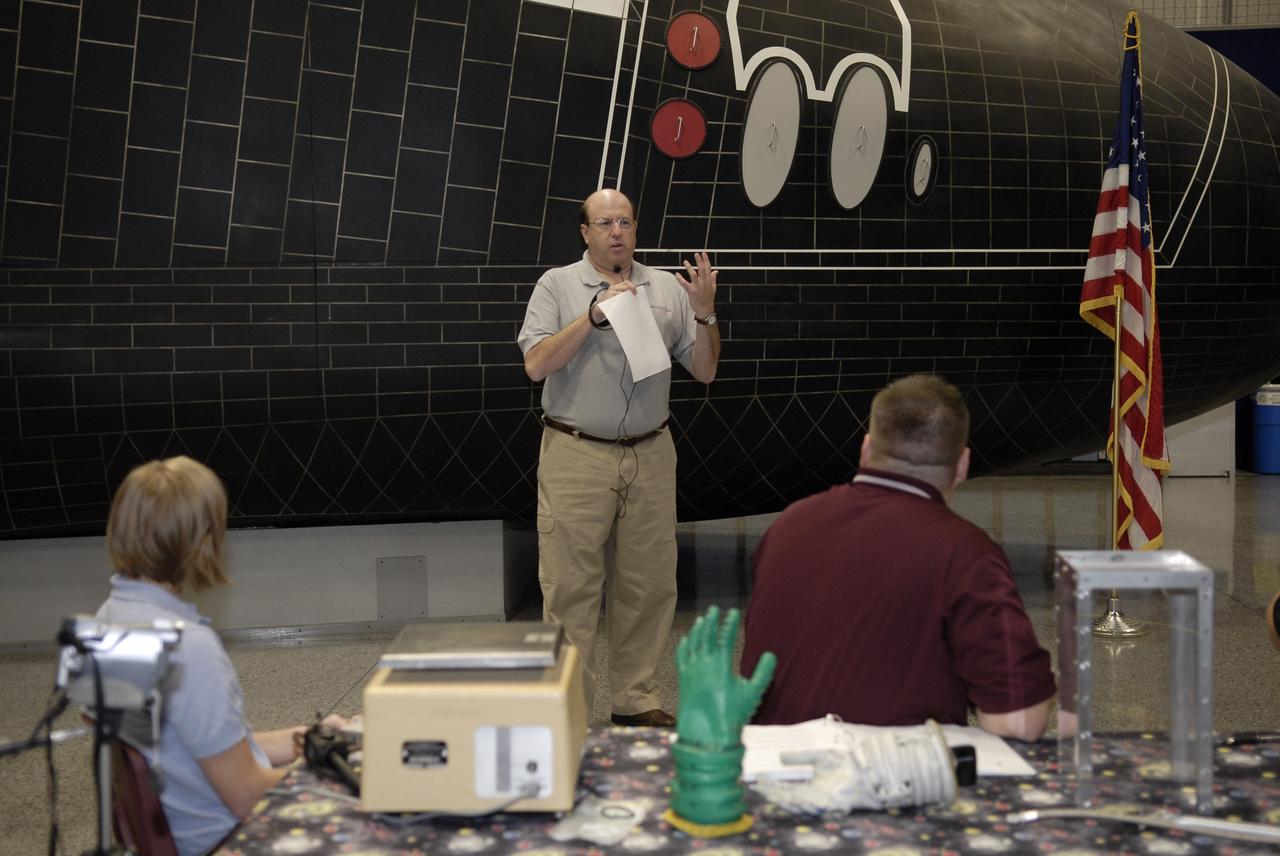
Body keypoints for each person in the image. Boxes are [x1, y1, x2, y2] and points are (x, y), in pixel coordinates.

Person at [740, 374, 1056, 741]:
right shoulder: (965, 553)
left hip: (766, 763)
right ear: (962, 465)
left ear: (866, 448)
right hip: (894, 769)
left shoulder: (789, 525)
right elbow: (1017, 723)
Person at [517, 188, 719, 727]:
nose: (616, 233)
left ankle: (635, 698)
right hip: (577, 452)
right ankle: (571, 710)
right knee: (570, 588)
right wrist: (592, 316)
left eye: (625, 222)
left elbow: (705, 371)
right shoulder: (557, 284)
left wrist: (704, 315)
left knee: (648, 584)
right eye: (604, 223)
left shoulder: (665, 289)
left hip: (650, 453)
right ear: (585, 232)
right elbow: (536, 365)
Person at [94, 456, 345, 856]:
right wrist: (330, 769)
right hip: (225, 840)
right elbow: (246, 796)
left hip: (177, 827)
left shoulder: (108, 620)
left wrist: (313, 740)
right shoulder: (189, 648)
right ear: (202, 541)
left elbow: (204, 750)